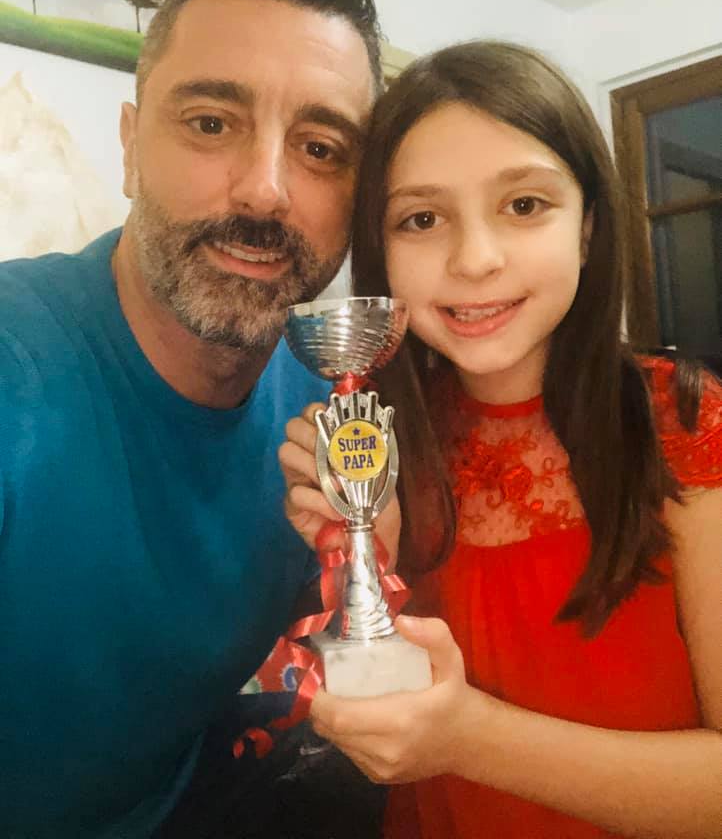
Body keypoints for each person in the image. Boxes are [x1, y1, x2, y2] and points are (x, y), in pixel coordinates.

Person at [281, 41, 722, 839]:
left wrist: (473, 739)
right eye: (422, 219)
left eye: (524, 205)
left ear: (587, 227)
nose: (475, 260)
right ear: (381, 253)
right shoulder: (381, 438)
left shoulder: (685, 425)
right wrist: (368, 556)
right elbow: (381, 715)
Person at [0, 0, 382, 839]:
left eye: (320, 148)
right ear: (130, 148)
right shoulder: (18, 367)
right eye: (211, 123)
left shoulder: (331, 410)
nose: (265, 191)